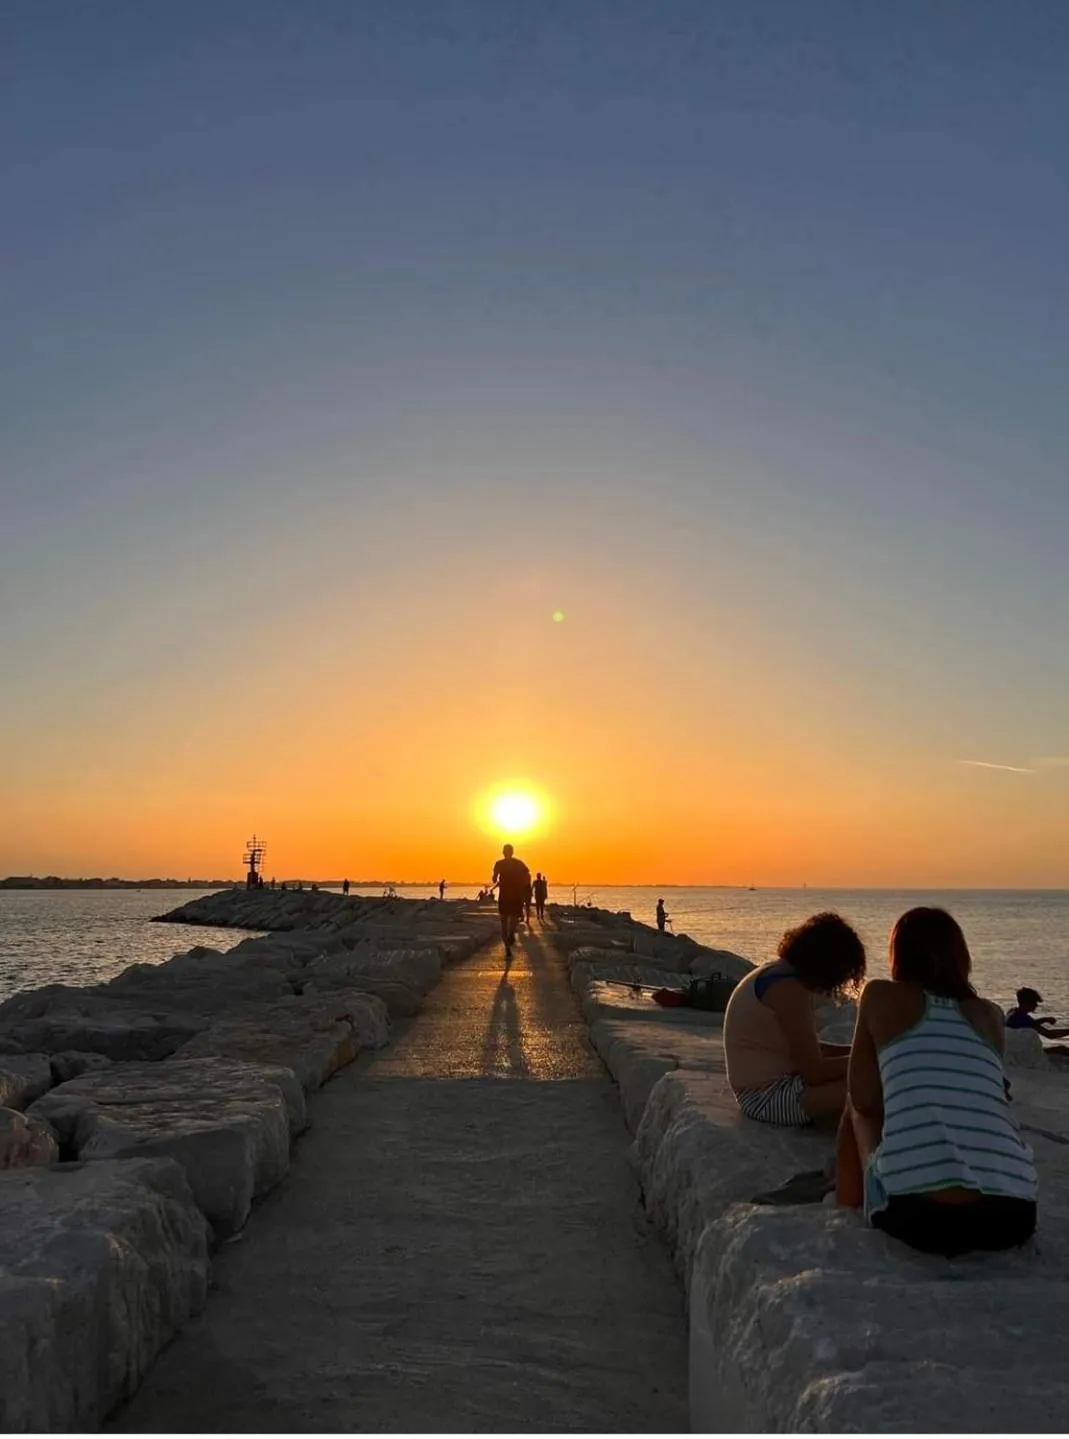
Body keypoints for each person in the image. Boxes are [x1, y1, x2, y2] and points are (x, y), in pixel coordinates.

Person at [836, 907, 1037, 1257]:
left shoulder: (880, 996)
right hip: (1014, 1214)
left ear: (899, 956)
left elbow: (865, 1099)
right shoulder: (989, 1015)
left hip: (921, 1216)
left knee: (854, 1104)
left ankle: (847, 1202)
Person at [723, 912, 866, 1126]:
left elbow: (809, 1052)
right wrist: (866, 1060)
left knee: (868, 1071)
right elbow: (814, 1072)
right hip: (765, 1098)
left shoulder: (775, 974)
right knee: (869, 1086)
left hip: (774, 1085)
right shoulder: (788, 990)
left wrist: (863, 1053)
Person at [491, 844, 531, 959]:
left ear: (503, 852)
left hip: (504, 896)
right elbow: (527, 875)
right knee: (514, 919)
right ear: (512, 852)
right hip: (516, 896)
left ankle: (507, 949)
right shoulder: (519, 863)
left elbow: (494, 878)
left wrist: (496, 878)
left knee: (503, 922)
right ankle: (512, 932)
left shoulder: (499, 864)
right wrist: (525, 887)